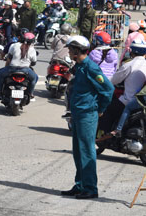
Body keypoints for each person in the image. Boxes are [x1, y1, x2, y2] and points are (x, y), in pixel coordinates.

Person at [60, 35, 113, 200]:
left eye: (70, 49)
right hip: (77, 113)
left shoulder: (91, 68)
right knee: (78, 151)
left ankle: (90, 188)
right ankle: (80, 185)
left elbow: (107, 89)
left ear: (77, 50)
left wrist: (100, 109)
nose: (68, 51)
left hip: (87, 114)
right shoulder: (80, 66)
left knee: (87, 151)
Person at [0, 32, 39, 101]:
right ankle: (30, 94)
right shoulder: (32, 49)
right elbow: (33, 63)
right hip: (26, 70)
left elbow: (9, 57)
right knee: (35, 78)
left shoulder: (14, 45)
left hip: (12, 69)